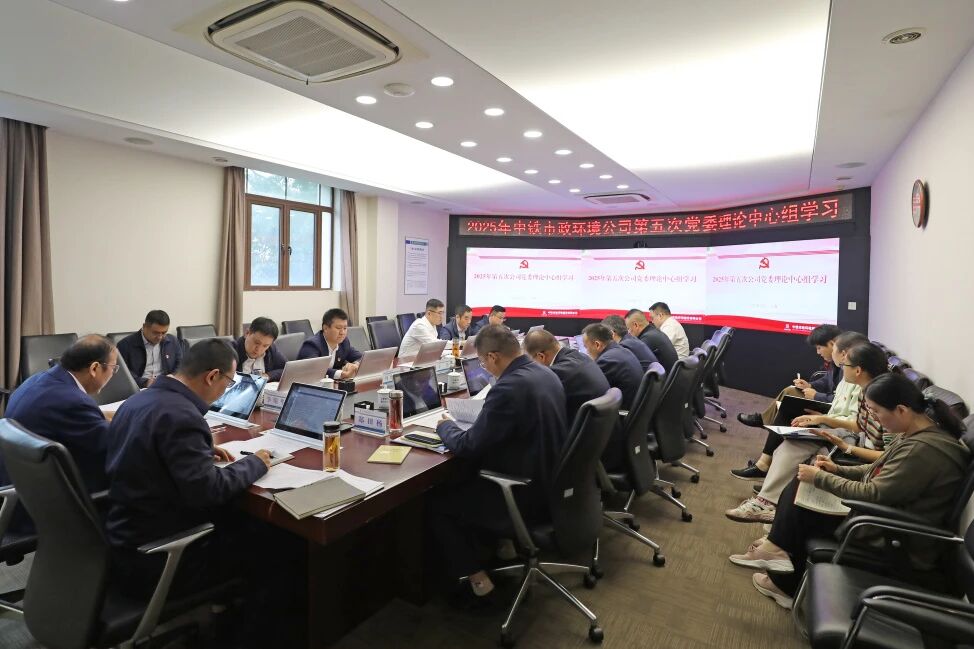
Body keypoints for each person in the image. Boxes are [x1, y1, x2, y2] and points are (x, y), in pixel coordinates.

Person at [730, 372, 969, 608]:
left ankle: (781, 576)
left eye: (877, 412)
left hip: (891, 534)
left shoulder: (922, 450)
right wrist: (836, 470)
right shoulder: (919, 434)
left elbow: (874, 494)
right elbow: (878, 469)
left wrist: (822, 478)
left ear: (901, 410)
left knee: (804, 500)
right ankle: (776, 556)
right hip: (884, 517)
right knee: (803, 485)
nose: (875, 419)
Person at [105, 339, 272, 596]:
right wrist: (255, 463)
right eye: (229, 382)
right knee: (272, 543)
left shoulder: (137, 400)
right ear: (212, 376)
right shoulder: (182, 416)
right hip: (157, 556)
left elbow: (151, 450)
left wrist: (199, 450)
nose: (226, 390)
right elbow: (210, 491)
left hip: (124, 534)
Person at [430, 325, 568, 606]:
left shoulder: (508, 387)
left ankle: (480, 585)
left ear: (493, 357)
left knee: (440, 505)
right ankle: (503, 552)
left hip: (525, 494)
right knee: (468, 479)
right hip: (551, 483)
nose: (484, 368)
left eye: (482, 363)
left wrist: (445, 426)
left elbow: (468, 445)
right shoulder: (546, 372)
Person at [726, 342, 889, 523]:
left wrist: (845, 446)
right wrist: (821, 420)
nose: (842, 368)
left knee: (798, 447)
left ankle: (767, 502)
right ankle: (770, 502)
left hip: (858, 446)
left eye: (845, 365)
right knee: (792, 442)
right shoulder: (866, 391)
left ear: (858, 370)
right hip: (853, 438)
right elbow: (859, 425)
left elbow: (886, 454)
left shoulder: (884, 400)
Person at [0, 335, 118, 533]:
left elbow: (86, 419)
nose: (113, 374)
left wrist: (117, 416)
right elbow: (114, 447)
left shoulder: (39, 380)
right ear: (94, 368)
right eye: (114, 368)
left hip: (17, 495)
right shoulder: (73, 403)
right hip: (42, 511)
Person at [729, 331, 868, 482]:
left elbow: (854, 423)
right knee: (788, 404)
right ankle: (765, 463)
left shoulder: (855, 380)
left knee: (789, 414)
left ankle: (765, 460)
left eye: (820, 347)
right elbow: (829, 387)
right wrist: (811, 387)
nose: (818, 352)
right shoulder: (844, 372)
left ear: (843, 353)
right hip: (831, 417)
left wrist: (820, 409)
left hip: (838, 427)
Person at [736, 324, 844, 428]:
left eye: (819, 348)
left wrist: (816, 396)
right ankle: (767, 421)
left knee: (790, 396)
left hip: (834, 409)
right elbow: (827, 379)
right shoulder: (836, 361)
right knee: (790, 392)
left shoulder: (846, 366)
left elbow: (841, 400)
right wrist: (810, 385)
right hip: (827, 400)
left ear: (831, 344)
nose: (818, 352)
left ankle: (766, 421)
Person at [582, 323, 643, 470]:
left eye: (586, 347)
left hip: (622, 418)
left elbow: (595, 389)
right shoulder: (621, 351)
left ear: (597, 344)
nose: (586, 351)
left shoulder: (607, 360)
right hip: (634, 415)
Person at [523, 329, 610, 425]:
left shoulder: (556, 373)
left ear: (541, 356)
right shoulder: (581, 356)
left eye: (531, 360)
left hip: (586, 428)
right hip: (603, 425)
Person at [116, 309, 183, 388]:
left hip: (166, 386)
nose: (160, 337)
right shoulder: (125, 345)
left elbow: (181, 364)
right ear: (144, 327)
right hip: (140, 388)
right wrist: (145, 382)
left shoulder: (172, 341)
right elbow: (122, 373)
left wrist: (173, 376)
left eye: (164, 333)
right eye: (156, 333)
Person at [297, 308, 363, 379]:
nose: (342, 333)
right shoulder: (312, 345)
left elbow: (361, 358)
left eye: (345, 328)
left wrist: (355, 365)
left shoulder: (344, 342)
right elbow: (314, 369)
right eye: (338, 328)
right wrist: (341, 374)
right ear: (325, 328)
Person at [232, 316, 287, 381]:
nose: (259, 349)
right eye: (257, 343)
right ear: (247, 333)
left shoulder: (271, 349)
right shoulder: (231, 350)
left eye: (265, 346)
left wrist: (268, 376)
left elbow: (286, 369)